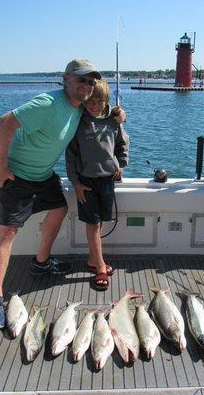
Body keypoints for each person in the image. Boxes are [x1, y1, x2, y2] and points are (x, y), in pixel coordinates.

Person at [0, 59, 125, 331]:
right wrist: (0, 167)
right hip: (19, 175)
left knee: (59, 209)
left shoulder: (80, 107)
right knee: (7, 233)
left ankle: (41, 262)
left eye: (90, 81)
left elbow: (103, 115)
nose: (86, 85)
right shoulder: (48, 103)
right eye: (80, 79)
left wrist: (119, 115)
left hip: (45, 175)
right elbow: (5, 123)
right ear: (66, 80)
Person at [65, 80, 129, 291]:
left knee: (100, 222)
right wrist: (76, 183)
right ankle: (100, 266)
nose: (94, 105)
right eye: (90, 101)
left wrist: (120, 164)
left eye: (99, 101)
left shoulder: (114, 120)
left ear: (106, 101)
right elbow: (71, 155)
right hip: (86, 182)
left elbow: (122, 143)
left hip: (107, 179)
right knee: (92, 224)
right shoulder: (78, 121)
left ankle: (93, 261)